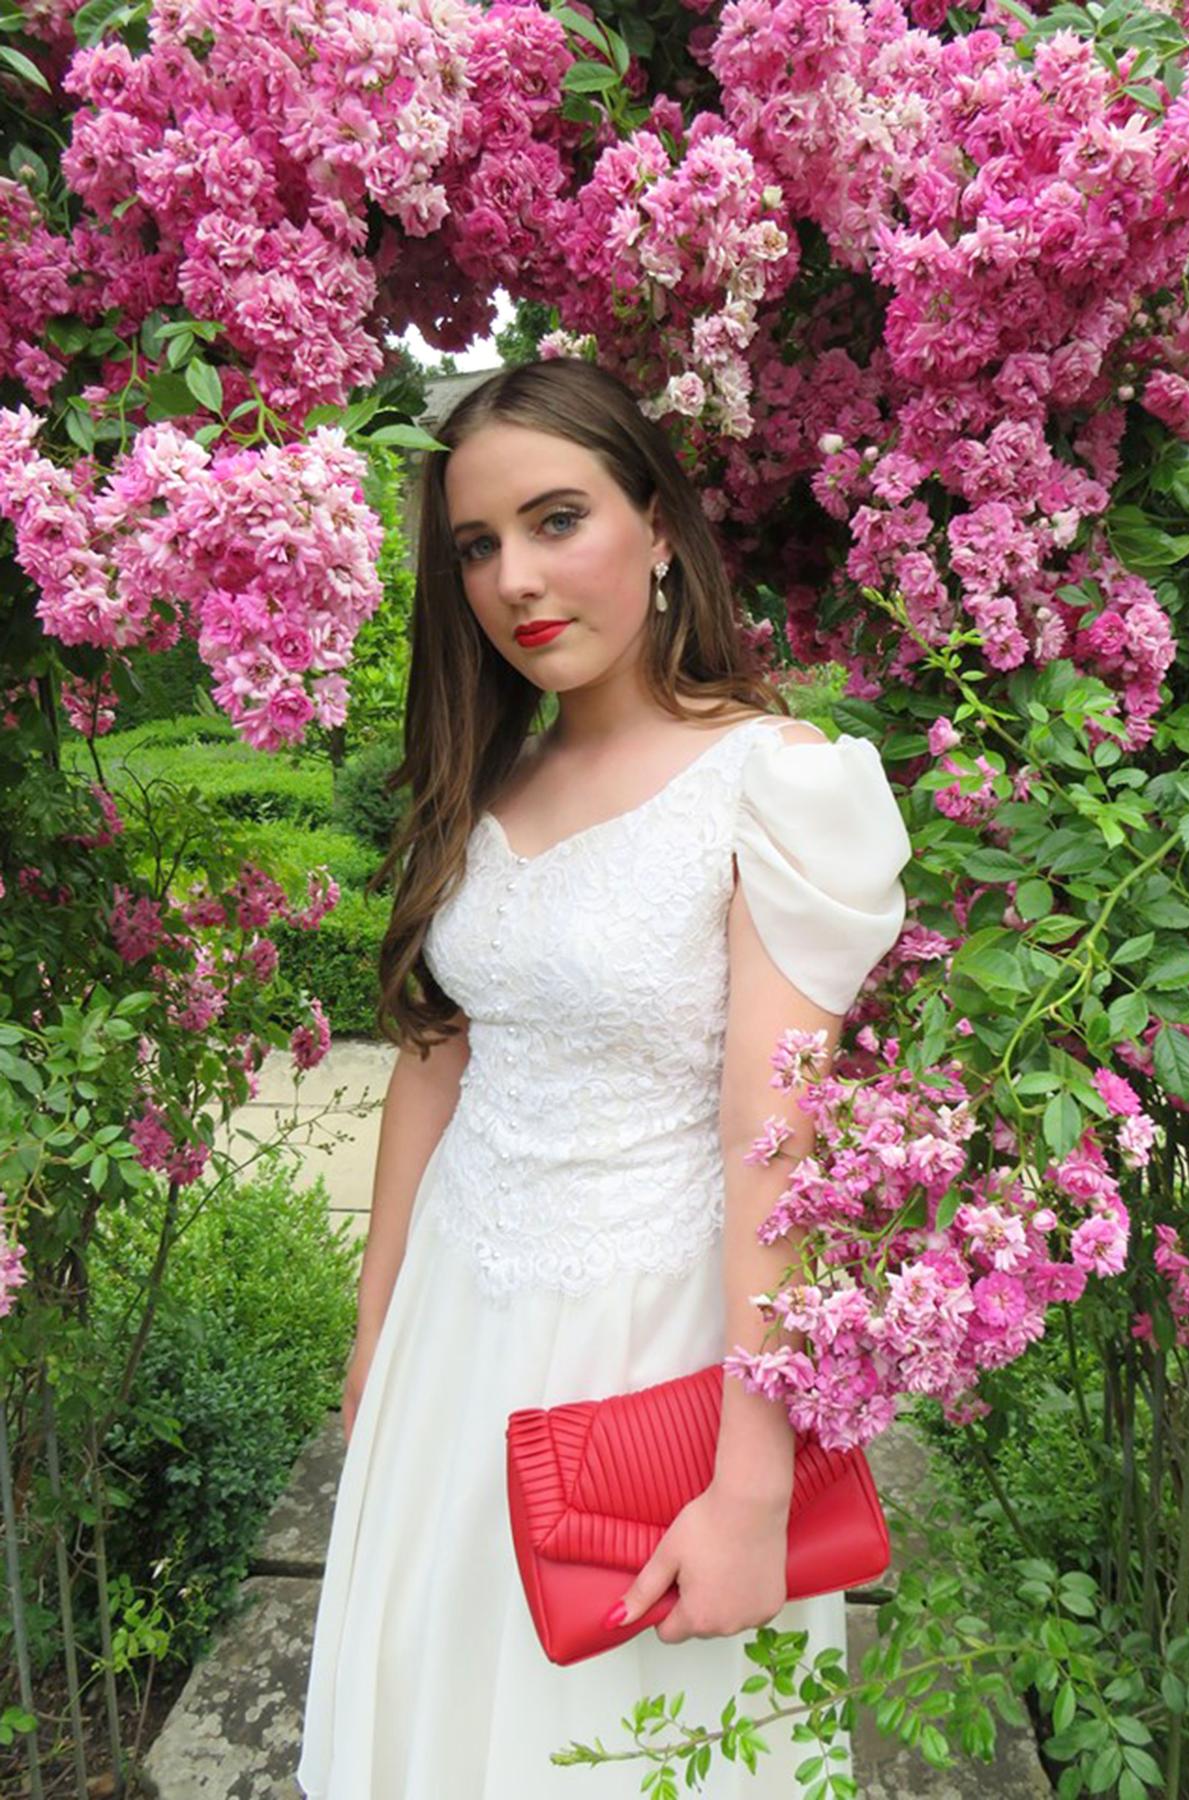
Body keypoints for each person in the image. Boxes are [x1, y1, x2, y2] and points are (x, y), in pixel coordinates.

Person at [296, 357, 912, 1797]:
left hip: (653, 1351)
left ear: (655, 523)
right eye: (476, 545)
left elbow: (782, 1129)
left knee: (614, 1750)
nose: (515, 577)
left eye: (556, 519)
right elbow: (437, 1064)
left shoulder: (774, 780)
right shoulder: (483, 783)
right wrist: (377, 1336)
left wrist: (755, 1486)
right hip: (459, 1327)